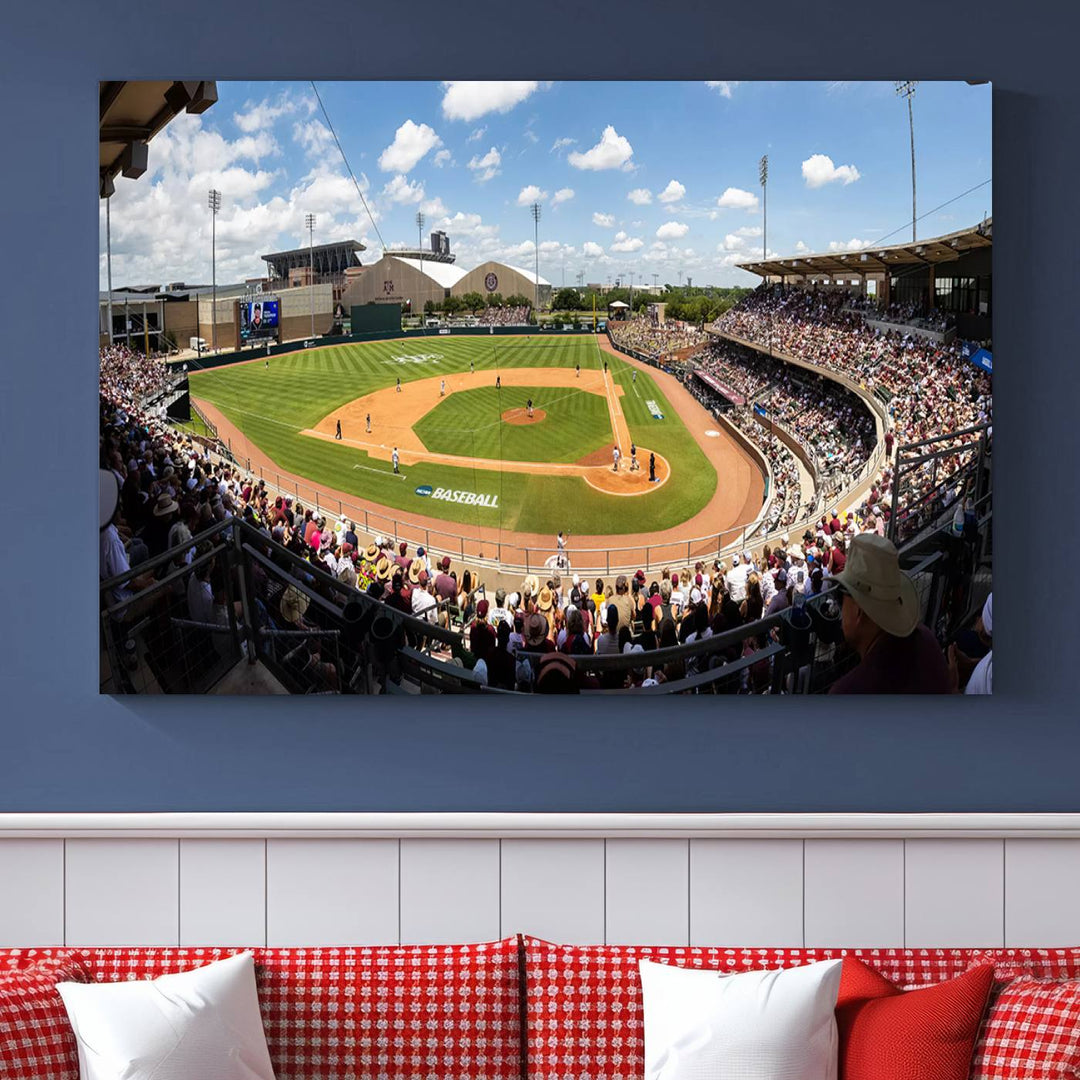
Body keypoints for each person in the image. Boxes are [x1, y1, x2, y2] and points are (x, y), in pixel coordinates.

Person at [829, 534, 951, 693]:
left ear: (858, 611)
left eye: (841, 599)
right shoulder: (926, 639)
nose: (840, 610)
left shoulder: (848, 692)